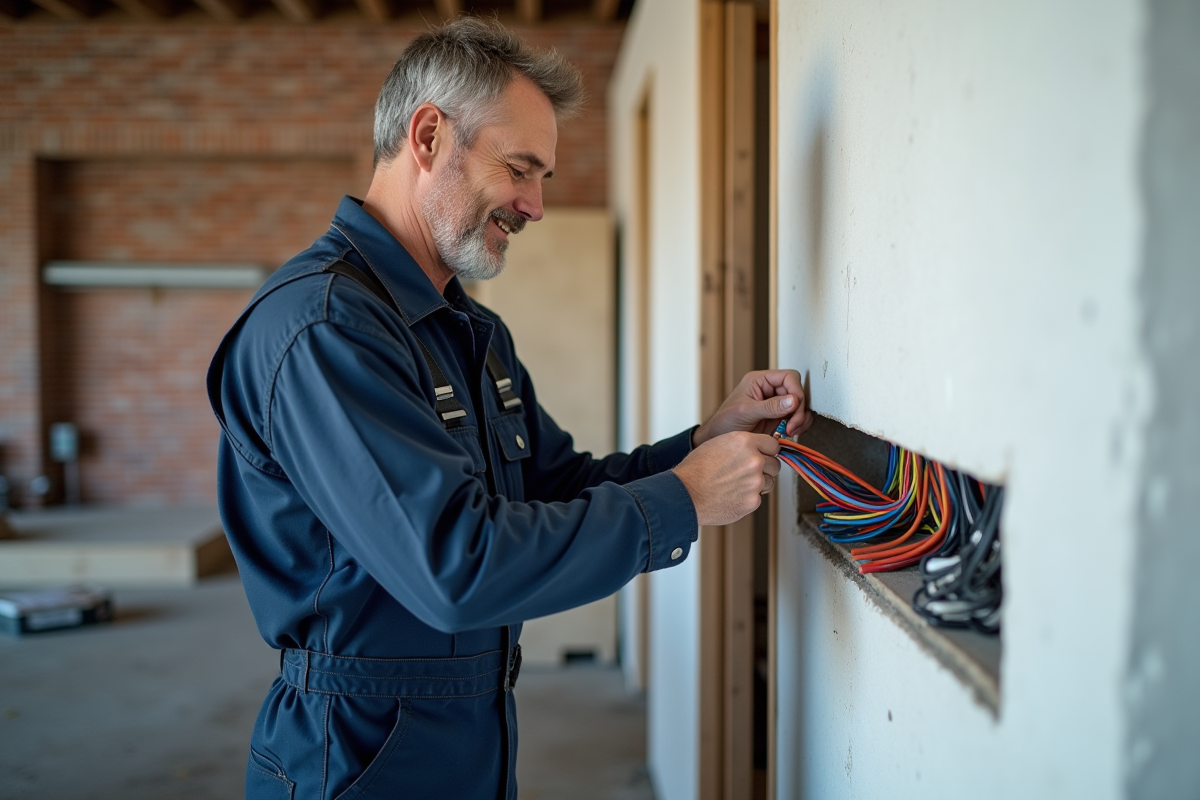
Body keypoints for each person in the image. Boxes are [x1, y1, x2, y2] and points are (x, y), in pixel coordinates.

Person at [207, 16, 812, 800]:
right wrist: (688, 499)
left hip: (471, 732)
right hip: (357, 756)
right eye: (519, 168)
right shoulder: (325, 329)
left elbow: (557, 487)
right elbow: (456, 568)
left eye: (542, 179)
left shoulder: (470, 329)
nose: (534, 206)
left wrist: (704, 440)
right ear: (428, 137)